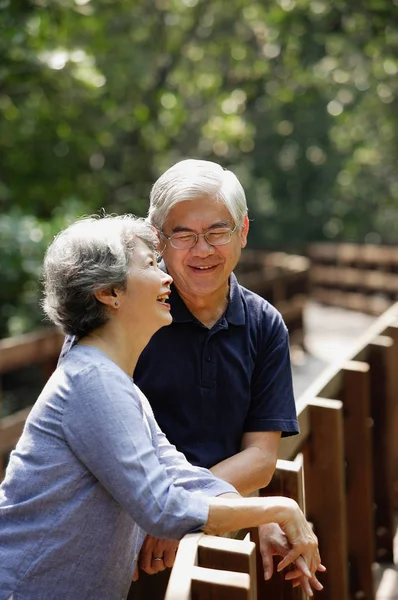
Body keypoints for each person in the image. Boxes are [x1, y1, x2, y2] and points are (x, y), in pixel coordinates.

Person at [0, 215, 322, 600]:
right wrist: (277, 509)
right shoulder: (92, 381)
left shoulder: (118, 384)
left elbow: (183, 476)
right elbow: (163, 507)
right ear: (109, 293)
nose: (166, 277)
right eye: (151, 265)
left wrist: (260, 517)